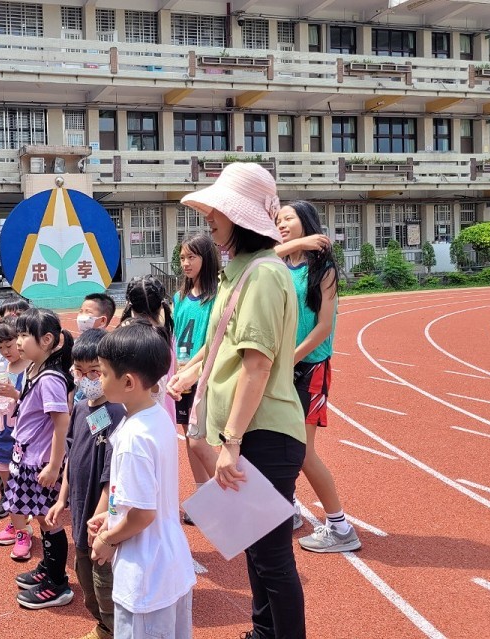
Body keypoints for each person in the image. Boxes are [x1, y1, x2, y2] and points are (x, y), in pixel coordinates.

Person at [171, 162, 307, 639]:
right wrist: (189, 373)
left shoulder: (265, 274)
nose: (209, 218)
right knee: (254, 550)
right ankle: (262, 633)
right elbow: (223, 338)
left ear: (242, 217)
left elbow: (257, 365)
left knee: (271, 558)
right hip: (250, 432)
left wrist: (230, 441)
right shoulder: (239, 271)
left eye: (218, 211)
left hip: (264, 433)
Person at [88, 320, 195, 639]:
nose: (99, 379)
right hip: (170, 564)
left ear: (129, 382)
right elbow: (145, 498)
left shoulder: (133, 438)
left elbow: (143, 514)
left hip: (145, 577)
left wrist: (108, 539)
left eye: (103, 373)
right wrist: (112, 514)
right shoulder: (157, 417)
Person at [275, 201, 360, 553]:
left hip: (309, 367)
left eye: (288, 218)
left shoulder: (322, 270)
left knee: (303, 451)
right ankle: (290, 508)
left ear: (306, 222)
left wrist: (290, 359)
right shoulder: (279, 264)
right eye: (277, 219)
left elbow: (324, 327)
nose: (281, 223)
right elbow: (255, 261)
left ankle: (340, 527)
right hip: (281, 367)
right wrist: (296, 245)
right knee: (278, 441)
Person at [45, 329, 126, 639]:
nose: (86, 378)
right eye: (80, 371)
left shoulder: (117, 414)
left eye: (95, 371)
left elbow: (111, 478)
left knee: (106, 586)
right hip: (80, 516)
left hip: (100, 523)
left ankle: (117, 630)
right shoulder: (81, 409)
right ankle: (104, 627)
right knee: (87, 583)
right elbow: (72, 456)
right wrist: (61, 500)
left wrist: (99, 525)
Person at [0, 308, 75, 609]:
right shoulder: (35, 371)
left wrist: (54, 466)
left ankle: (58, 584)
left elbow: (61, 422)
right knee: (41, 519)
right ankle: (48, 570)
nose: (18, 341)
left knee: (48, 520)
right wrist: (14, 396)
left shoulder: (51, 379)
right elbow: (35, 410)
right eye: (17, 334)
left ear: (46, 340)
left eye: (24, 335)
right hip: (27, 457)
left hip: (40, 463)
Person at [171, 232, 221, 524]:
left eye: (191, 257)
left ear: (206, 258)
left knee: (198, 439)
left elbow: (214, 339)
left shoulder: (215, 298)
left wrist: (193, 368)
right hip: (181, 376)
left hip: (201, 374)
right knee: (190, 441)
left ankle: (229, 499)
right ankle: (204, 498)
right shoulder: (180, 297)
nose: (185, 263)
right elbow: (177, 336)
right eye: (182, 258)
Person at [0, 298, 31, 518]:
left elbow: (33, 405)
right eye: (0, 348)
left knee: (24, 479)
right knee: (7, 478)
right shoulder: (2, 368)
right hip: (0, 432)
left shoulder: (31, 368)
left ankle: (24, 519)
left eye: (9, 346)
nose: (5, 351)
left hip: (23, 434)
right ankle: (13, 516)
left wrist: (13, 394)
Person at [119, 276, 175, 416]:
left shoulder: (129, 341)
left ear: (130, 306)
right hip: (165, 415)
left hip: (139, 418)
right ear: (161, 306)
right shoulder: (168, 335)